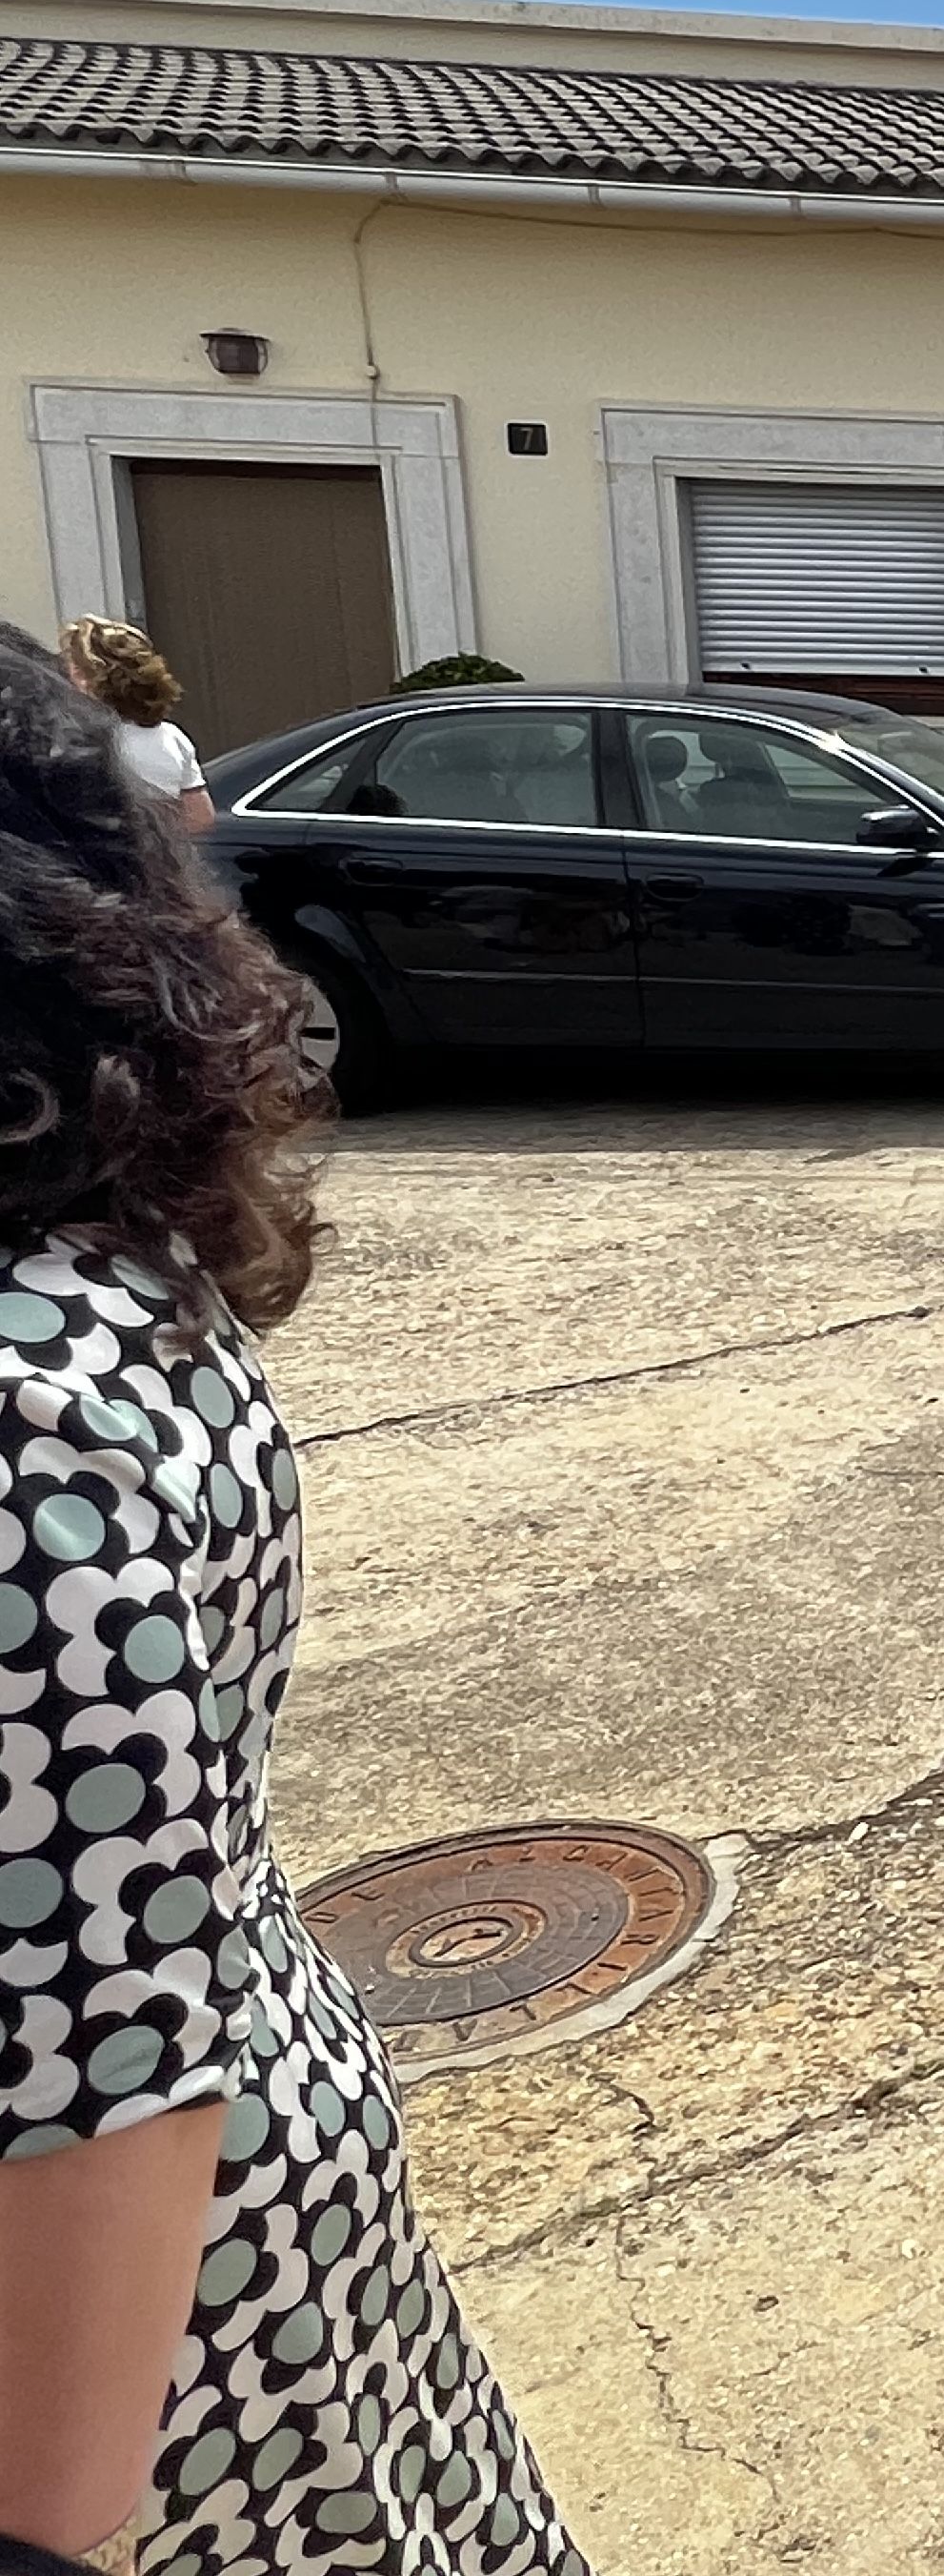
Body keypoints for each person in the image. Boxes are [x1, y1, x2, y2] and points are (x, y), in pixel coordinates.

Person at [0, 647, 589, 2574]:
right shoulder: (88, 1260)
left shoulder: (20, 1419)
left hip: (152, 2352)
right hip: (246, 2223)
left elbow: (98, 2059)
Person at [58, 615, 214, 833]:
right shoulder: (171, 736)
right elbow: (201, 816)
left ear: (85, 678)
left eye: (72, 669)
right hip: (163, 860)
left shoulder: (79, 741)